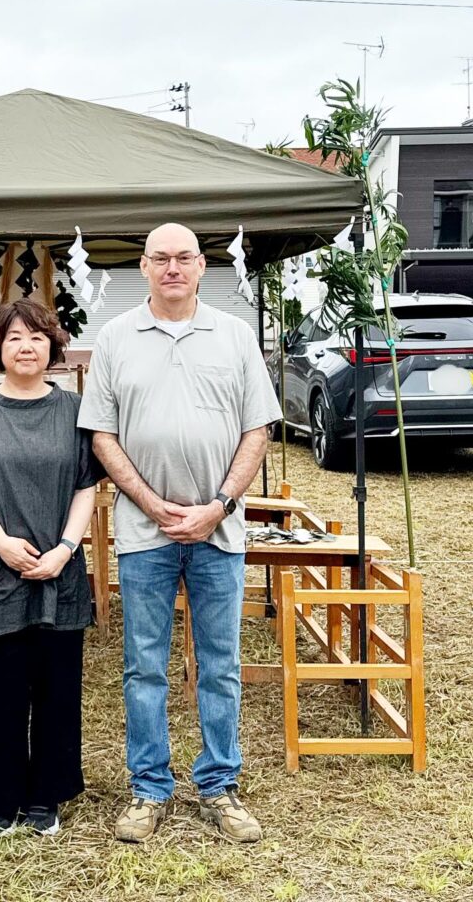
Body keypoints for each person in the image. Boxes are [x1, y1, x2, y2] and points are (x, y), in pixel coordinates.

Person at [78, 222, 281, 845]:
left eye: (183, 258)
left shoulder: (234, 335)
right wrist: (152, 503)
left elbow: (258, 431)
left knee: (220, 663)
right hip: (145, 532)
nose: (172, 268)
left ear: (200, 266)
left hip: (219, 533)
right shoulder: (114, 339)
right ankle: (149, 788)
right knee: (144, 666)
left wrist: (217, 506)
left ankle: (219, 786)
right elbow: (101, 434)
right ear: (143, 267)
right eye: (160, 258)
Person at [0, 298, 101, 838]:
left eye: (35, 336)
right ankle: (2, 799)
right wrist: (3, 543)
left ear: (52, 346)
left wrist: (65, 548)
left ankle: (45, 797)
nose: (25, 346)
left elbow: (86, 485)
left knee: (57, 690)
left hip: (60, 568)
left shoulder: (73, 409)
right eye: (13, 338)